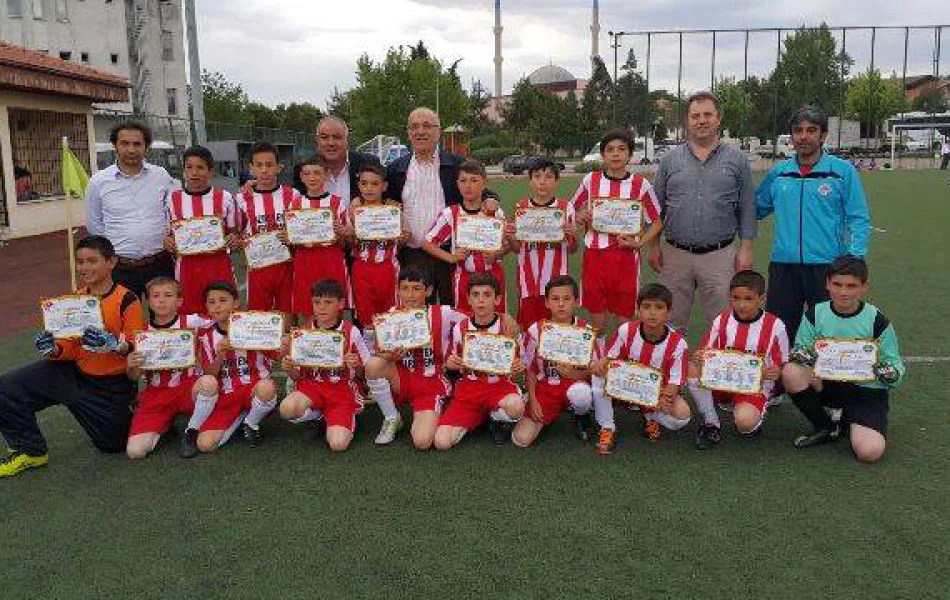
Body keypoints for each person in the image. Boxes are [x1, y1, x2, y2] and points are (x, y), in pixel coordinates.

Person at [0, 236, 144, 477]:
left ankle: (142, 412)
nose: (84, 267)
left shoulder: (127, 299)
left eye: (92, 261)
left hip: (111, 386)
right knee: (6, 387)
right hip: (74, 373)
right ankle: (30, 451)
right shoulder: (76, 299)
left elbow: (137, 346)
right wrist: (53, 349)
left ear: (111, 262)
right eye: (80, 261)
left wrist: (114, 345)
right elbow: (69, 347)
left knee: (113, 445)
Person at [756, 105, 871, 340]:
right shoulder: (779, 173)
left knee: (827, 334)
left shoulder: (842, 172)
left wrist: (855, 256)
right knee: (780, 334)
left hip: (827, 266)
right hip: (784, 267)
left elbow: (858, 217)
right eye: (798, 131)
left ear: (823, 135)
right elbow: (755, 208)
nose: (803, 136)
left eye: (811, 130)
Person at [649, 91, 757, 333]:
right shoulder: (669, 160)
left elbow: (747, 206)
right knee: (669, 325)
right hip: (675, 255)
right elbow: (656, 208)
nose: (701, 120)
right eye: (695, 116)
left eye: (707, 115)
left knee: (723, 326)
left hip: (719, 256)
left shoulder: (737, 160)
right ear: (687, 121)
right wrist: (654, 246)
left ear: (718, 119)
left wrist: (746, 248)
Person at [781, 256, 904, 464]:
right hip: (828, 385)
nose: (843, 292)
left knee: (869, 452)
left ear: (864, 287)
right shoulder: (815, 313)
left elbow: (895, 367)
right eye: (837, 284)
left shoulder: (877, 320)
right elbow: (801, 349)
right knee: (791, 371)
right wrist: (804, 355)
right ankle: (826, 426)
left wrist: (887, 372)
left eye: (851, 286)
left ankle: (848, 419)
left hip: (865, 391)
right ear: (827, 284)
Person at [572, 130, 663, 344]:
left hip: (625, 259)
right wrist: (580, 215)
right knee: (598, 320)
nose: (615, 154)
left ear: (629, 155)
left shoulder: (641, 185)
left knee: (625, 319)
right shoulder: (591, 180)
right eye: (610, 150)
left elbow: (657, 222)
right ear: (603, 155)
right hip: (595, 257)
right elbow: (571, 209)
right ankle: (599, 356)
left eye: (621, 149)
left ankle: (622, 356)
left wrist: (639, 243)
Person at [364, 266, 466, 449]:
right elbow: (380, 350)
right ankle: (392, 417)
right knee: (373, 365)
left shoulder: (443, 313)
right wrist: (390, 355)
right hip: (403, 378)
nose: (410, 295)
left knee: (422, 442)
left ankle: (443, 408)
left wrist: (503, 318)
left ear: (428, 291)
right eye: (405, 288)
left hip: (431, 383)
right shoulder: (392, 314)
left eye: (416, 288)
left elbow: (475, 319)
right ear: (398, 290)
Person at [687, 270, 789, 450]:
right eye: (736, 298)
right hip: (722, 381)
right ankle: (711, 422)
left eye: (748, 299)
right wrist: (700, 356)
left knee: (745, 424)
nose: (741, 304)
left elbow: (782, 364)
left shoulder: (775, 326)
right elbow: (707, 351)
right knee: (692, 368)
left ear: (761, 298)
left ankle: (751, 413)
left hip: (754, 386)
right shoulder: (722, 319)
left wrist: (777, 371)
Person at [590, 283, 691, 454]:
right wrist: (601, 363)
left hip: (653, 393)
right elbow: (608, 359)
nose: (652, 312)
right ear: (638, 310)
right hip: (623, 387)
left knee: (682, 416)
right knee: (598, 373)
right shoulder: (626, 331)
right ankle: (607, 427)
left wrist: (662, 399)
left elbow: (674, 384)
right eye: (646, 306)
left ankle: (650, 416)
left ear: (669, 312)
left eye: (659, 307)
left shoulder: (678, 344)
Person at [86, 121, 179, 297]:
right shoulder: (98, 182)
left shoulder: (161, 176)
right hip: (120, 268)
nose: (131, 150)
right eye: (125, 143)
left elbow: (173, 211)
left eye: (137, 144)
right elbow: (94, 225)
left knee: (164, 313)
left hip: (160, 264)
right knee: (123, 313)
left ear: (146, 147)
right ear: (115, 146)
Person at [434, 273, 526, 450]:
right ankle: (481, 416)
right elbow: (450, 361)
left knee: (516, 407)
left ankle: (496, 418)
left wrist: (519, 366)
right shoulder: (460, 328)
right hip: (469, 390)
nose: (481, 300)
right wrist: (451, 364)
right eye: (475, 295)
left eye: (487, 295)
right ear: (469, 299)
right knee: (441, 442)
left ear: (497, 299)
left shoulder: (508, 327)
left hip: (499, 386)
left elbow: (521, 362)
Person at [125, 277, 214, 459]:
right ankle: (164, 427)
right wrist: (131, 364)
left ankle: (192, 432)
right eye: (155, 296)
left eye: (168, 295)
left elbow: (226, 319)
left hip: (188, 388)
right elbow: (134, 377)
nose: (161, 300)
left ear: (179, 301)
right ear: (148, 302)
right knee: (135, 452)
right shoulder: (142, 333)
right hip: (156, 394)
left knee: (208, 383)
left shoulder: (193, 322)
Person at [279, 279, 371, 453]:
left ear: (341, 304)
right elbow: (297, 376)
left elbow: (367, 371)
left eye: (328, 302)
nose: (321, 307)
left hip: (341, 392)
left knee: (338, 445)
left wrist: (356, 365)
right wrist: (289, 367)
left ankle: (345, 418)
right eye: (317, 302)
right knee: (286, 409)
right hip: (312, 387)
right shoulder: (303, 332)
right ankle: (318, 416)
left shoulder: (351, 331)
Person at [387, 107, 463, 305]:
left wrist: (491, 197)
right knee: (416, 313)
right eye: (414, 127)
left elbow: (478, 189)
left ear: (438, 132)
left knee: (450, 309)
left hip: (448, 253)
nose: (420, 131)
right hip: (411, 254)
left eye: (427, 126)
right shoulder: (395, 169)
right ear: (408, 133)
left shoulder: (456, 165)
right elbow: (383, 202)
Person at [192, 281, 280, 451]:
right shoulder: (205, 336)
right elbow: (209, 374)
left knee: (267, 387)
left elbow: (276, 355)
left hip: (254, 390)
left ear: (235, 303)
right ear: (207, 307)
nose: (217, 306)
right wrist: (220, 356)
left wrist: (280, 343)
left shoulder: (254, 326)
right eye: (212, 302)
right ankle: (242, 418)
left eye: (223, 300)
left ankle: (251, 423)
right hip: (227, 395)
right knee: (205, 445)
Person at [512, 275, 595, 447]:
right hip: (547, 386)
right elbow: (530, 368)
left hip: (575, 384)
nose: (561, 304)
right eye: (555, 299)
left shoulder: (586, 330)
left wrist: (574, 373)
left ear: (576, 302)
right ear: (547, 303)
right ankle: (542, 410)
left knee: (581, 394)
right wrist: (533, 399)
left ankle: (582, 414)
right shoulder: (536, 330)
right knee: (521, 439)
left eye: (567, 298)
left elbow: (595, 369)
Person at [421, 158, 508, 315]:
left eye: (474, 180)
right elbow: (427, 243)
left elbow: (506, 244)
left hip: (493, 277)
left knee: (496, 321)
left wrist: (497, 254)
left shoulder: (495, 212)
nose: (468, 185)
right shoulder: (451, 213)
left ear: (484, 182)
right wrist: (452, 258)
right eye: (463, 181)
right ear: (457, 184)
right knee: (465, 321)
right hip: (464, 279)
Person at [164, 145, 240, 316]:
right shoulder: (172, 200)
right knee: (190, 316)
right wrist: (167, 241)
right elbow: (168, 234)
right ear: (184, 170)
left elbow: (234, 232)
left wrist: (234, 238)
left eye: (200, 167)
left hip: (218, 265)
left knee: (223, 315)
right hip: (187, 268)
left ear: (210, 171)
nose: (194, 173)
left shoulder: (225, 198)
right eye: (189, 167)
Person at [507, 158, 578, 329]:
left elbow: (573, 249)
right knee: (529, 328)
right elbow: (517, 249)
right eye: (537, 176)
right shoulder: (521, 207)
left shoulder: (565, 207)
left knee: (555, 326)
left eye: (548, 177)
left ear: (556, 181)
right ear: (530, 181)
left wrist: (571, 235)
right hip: (528, 281)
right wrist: (510, 237)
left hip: (557, 280)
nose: (542, 181)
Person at [346, 162, 410, 349]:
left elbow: (404, 238)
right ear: (358, 186)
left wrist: (403, 237)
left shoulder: (393, 211)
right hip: (362, 267)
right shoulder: (353, 211)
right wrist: (349, 234)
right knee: (366, 314)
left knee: (390, 313)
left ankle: (390, 355)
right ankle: (370, 356)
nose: (369, 188)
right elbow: (348, 242)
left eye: (375, 184)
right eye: (364, 183)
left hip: (388, 267)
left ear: (384, 186)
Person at [236, 142, 301, 314]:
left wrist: (292, 237)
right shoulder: (241, 198)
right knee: (260, 317)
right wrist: (239, 241)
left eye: (269, 165)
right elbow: (236, 232)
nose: (264, 170)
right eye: (259, 165)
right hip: (257, 269)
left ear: (279, 167)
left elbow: (300, 230)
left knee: (286, 313)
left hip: (286, 267)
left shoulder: (293, 195)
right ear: (251, 168)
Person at [289, 155, 351, 323]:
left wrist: (342, 233)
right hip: (304, 260)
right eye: (307, 173)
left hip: (331, 258)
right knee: (307, 309)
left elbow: (346, 241)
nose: (312, 178)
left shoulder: (338, 203)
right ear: (301, 177)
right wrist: (288, 238)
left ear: (326, 174)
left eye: (317, 173)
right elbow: (292, 241)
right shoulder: (295, 205)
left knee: (333, 310)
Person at [293, 115, 378, 207]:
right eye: (324, 137)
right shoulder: (303, 169)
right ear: (317, 140)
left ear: (347, 139)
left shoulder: (369, 163)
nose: (331, 143)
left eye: (337, 137)